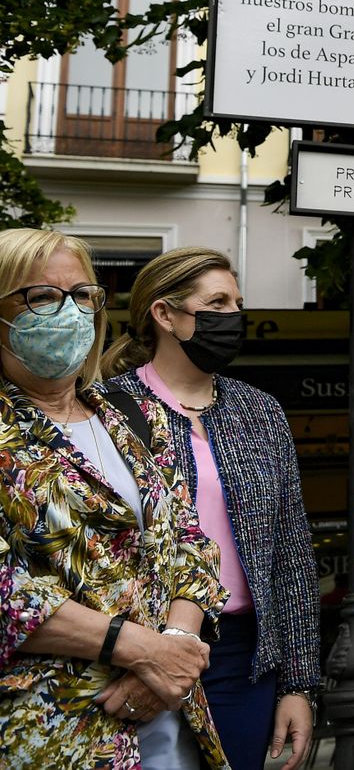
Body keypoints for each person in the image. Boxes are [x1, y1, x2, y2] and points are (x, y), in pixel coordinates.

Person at [0, 228, 228, 768]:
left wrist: (173, 648)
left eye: (83, 295)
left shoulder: (132, 414)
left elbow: (191, 544)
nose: (69, 312)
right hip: (52, 731)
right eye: (42, 296)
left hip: (172, 717)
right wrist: (143, 651)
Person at [104, 247, 321, 770]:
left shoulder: (259, 410)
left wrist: (299, 684)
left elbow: (291, 554)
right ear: (164, 314)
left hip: (245, 658)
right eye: (217, 302)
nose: (233, 317)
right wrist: (142, 655)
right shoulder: (109, 408)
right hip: (139, 652)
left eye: (237, 303)